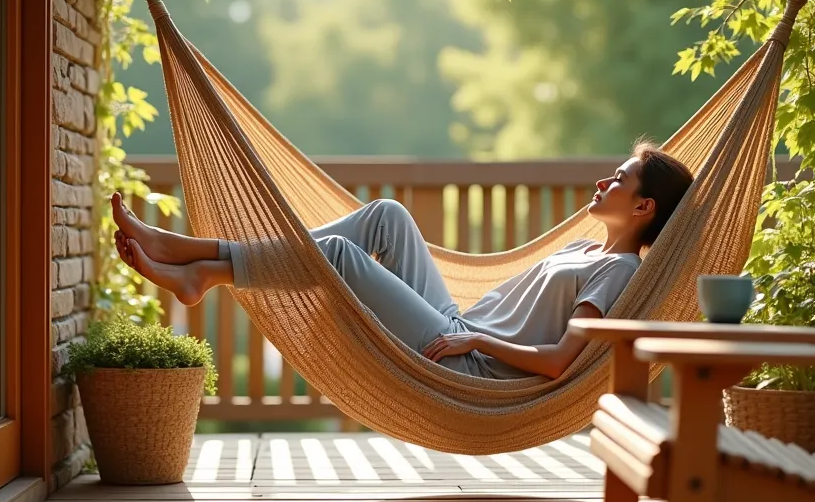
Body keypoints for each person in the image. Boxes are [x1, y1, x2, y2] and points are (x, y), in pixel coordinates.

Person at [112, 139, 694, 381]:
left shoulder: (620, 270)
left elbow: (561, 363)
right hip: (459, 326)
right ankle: (203, 269)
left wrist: (479, 345)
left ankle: (196, 259)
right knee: (386, 215)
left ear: (643, 206)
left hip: (470, 365)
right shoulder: (581, 248)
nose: (602, 180)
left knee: (339, 253)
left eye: (617, 180)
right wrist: (471, 331)